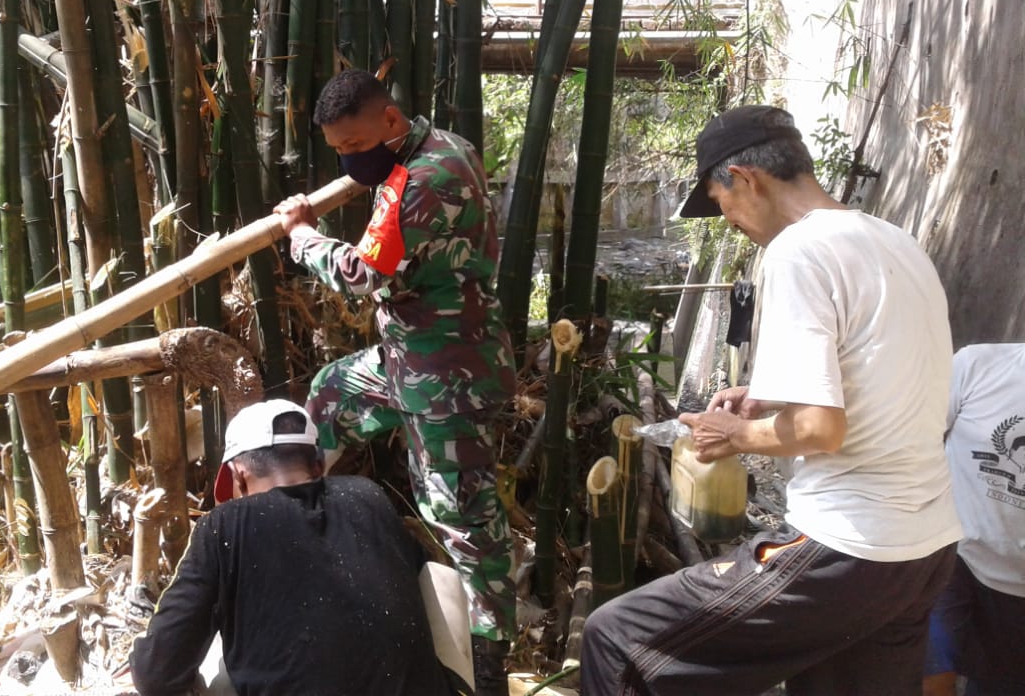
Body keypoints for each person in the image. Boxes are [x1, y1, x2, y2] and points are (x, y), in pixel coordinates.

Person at [581, 104, 963, 696]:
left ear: (745, 179)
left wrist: (733, 434)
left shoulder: (796, 251)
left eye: (723, 204)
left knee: (617, 638)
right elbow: (883, 379)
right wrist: (765, 398)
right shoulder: (895, 243)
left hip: (846, 546)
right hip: (923, 549)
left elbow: (819, 429)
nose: (731, 222)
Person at [273, 70, 516, 696]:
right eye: (339, 151)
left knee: (461, 513)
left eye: (355, 145)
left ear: (389, 119)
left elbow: (362, 276)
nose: (349, 160)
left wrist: (301, 235)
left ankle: (488, 652)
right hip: (405, 357)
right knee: (331, 396)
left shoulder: (424, 180)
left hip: (449, 374)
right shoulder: (442, 144)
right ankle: (294, 539)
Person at [129, 399, 461, 696]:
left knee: (215, 658)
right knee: (435, 578)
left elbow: (156, 674)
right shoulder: (369, 496)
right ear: (318, 466)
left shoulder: (223, 525)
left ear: (239, 477)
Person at [923, 343, 1025, 696]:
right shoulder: (977, 366)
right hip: (956, 558)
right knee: (930, 679)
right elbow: (920, 440)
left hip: (1017, 596)